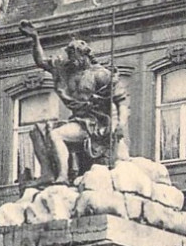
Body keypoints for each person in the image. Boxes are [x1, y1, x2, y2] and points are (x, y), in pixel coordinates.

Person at [19, 19, 129, 182]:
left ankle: (63, 177)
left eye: (75, 55)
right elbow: (41, 61)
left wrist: (120, 125)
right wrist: (35, 39)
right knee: (38, 131)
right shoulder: (67, 71)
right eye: (70, 55)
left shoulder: (100, 74)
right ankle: (47, 174)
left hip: (96, 124)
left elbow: (121, 101)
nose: (71, 59)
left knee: (56, 135)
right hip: (78, 121)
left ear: (85, 55)